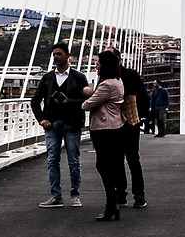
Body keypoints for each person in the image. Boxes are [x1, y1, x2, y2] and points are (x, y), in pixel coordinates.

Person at [30, 44, 89, 208]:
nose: (56, 57)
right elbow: (34, 101)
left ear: (68, 55)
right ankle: (56, 196)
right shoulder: (47, 78)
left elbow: (86, 101)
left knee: (73, 161)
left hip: (72, 124)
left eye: (59, 54)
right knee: (52, 160)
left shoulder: (79, 77)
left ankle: (75, 195)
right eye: (54, 54)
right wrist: (41, 119)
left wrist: (68, 102)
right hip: (51, 124)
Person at [83, 50, 129, 221]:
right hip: (116, 127)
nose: (96, 66)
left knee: (103, 166)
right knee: (112, 165)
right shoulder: (118, 81)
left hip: (104, 129)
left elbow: (87, 105)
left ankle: (111, 204)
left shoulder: (106, 85)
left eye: (98, 63)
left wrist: (89, 95)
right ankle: (113, 204)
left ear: (105, 65)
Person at [116, 52, 150, 208]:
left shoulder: (130, 75)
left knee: (132, 159)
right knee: (117, 160)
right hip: (114, 124)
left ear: (118, 59)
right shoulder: (106, 76)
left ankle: (138, 195)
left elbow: (143, 96)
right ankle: (121, 194)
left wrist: (138, 118)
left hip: (130, 122)